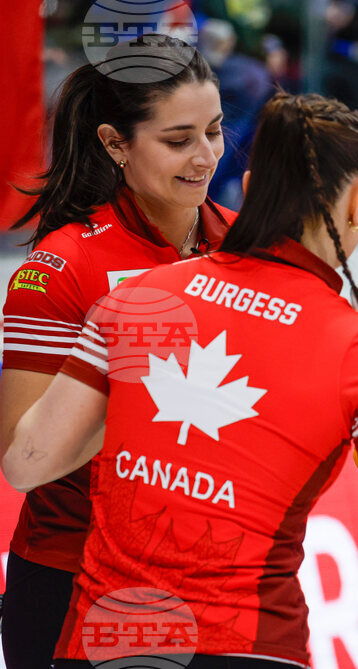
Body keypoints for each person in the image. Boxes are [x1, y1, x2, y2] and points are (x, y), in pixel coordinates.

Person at [2, 91, 358, 668]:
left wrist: (139, 407)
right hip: (251, 647)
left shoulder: (137, 300)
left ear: (248, 189)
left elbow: (26, 464)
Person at [0, 35, 236, 669]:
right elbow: (21, 461)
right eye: (178, 140)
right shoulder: (61, 267)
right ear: (114, 143)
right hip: (75, 582)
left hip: (216, 578)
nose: (206, 156)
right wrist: (153, 389)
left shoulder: (246, 248)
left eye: (214, 130)